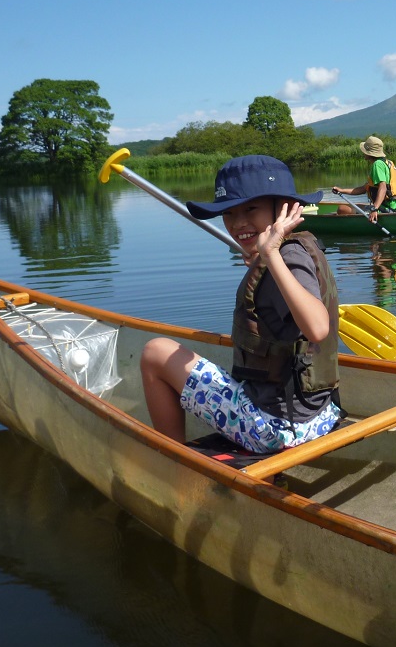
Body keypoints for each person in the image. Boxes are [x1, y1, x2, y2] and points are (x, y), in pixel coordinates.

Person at [140, 154, 341, 453]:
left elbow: (317, 328)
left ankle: (173, 457)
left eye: (251, 209)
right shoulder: (295, 248)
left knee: (155, 353)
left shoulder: (286, 256)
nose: (238, 223)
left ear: (283, 207)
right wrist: (265, 259)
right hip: (322, 415)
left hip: (277, 427)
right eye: (229, 213)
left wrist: (271, 255)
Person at [331, 135, 396, 223]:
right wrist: (341, 190)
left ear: (369, 153)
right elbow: (364, 189)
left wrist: (374, 209)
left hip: (386, 209)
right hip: (395, 207)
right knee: (355, 206)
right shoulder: (387, 162)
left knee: (341, 209)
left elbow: (383, 187)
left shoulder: (377, 165)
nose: (363, 153)